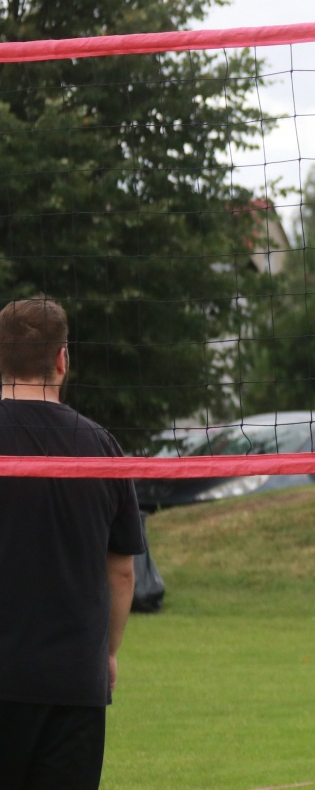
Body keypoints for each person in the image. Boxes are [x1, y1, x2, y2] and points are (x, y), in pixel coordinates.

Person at [0, 297, 145, 790]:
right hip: (73, 681)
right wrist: (108, 652)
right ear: (63, 358)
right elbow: (122, 572)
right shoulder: (103, 447)